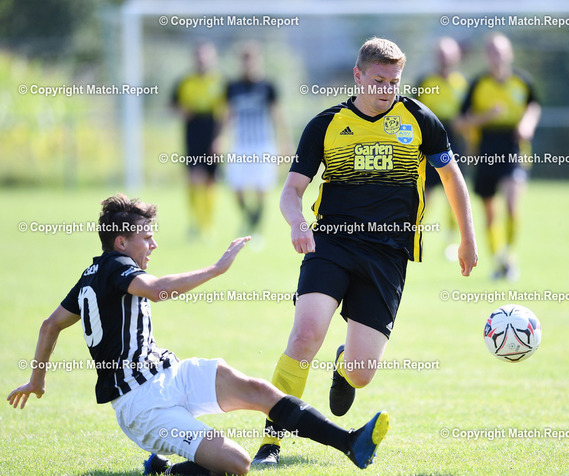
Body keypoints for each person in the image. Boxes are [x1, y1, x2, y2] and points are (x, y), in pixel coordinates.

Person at [7, 194, 390, 475]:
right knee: (237, 465)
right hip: (142, 404)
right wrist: (216, 269)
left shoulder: (92, 275)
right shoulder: (116, 267)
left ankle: (349, 442)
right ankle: (164, 470)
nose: (153, 244)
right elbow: (157, 290)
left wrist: (37, 380)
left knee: (260, 391)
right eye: (146, 237)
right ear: (121, 243)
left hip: (169, 374)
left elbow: (49, 325)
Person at [253, 37, 477, 466]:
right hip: (332, 242)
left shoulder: (419, 120)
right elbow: (291, 191)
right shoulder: (326, 124)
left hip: (387, 255)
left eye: (394, 81)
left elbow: (451, 177)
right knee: (304, 335)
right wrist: (297, 223)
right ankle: (271, 441)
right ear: (358, 76)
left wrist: (467, 238)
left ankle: (343, 366)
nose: (387, 89)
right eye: (378, 80)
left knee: (361, 373)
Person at [457, 33, 541, 281]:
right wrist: (487, 117)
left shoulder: (522, 81)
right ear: (487, 55)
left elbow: (534, 105)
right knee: (490, 213)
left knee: (512, 206)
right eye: (492, 51)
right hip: (485, 150)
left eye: (501, 51)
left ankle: (510, 255)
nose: (497, 56)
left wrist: (527, 124)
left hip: (513, 149)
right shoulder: (478, 84)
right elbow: (461, 122)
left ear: (510, 54)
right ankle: (497, 261)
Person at [222, 42, 292, 239]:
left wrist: (285, 142)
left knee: (261, 188)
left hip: (262, 145)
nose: (248, 64)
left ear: (258, 60)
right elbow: (227, 115)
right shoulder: (232, 87)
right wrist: (219, 138)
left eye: (252, 59)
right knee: (236, 188)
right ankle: (249, 220)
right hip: (240, 145)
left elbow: (278, 116)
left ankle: (256, 231)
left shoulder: (268, 86)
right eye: (245, 60)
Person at [416, 37, 469, 259]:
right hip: (428, 143)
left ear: (456, 57)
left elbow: (468, 115)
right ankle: (414, 233)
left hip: (455, 142)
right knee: (424, 191)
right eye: (441, 55)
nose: (444, 59)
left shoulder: (464, 84)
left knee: (454, 192)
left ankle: (452, 239)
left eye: (448, 55)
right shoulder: (424, 81)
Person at [172, 42, 226, 239]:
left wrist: (220, 138)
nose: (202, 60)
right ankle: (194, 223)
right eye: (199, 56)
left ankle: (208, 225)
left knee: (211, 181)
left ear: (213, 58)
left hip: (213, 135)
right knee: (194, 178)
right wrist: (181, 111)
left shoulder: (221, 82)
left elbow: (227, 112)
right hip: (193, 134)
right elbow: (172, 105)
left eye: (206, 56)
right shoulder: (185, 82)